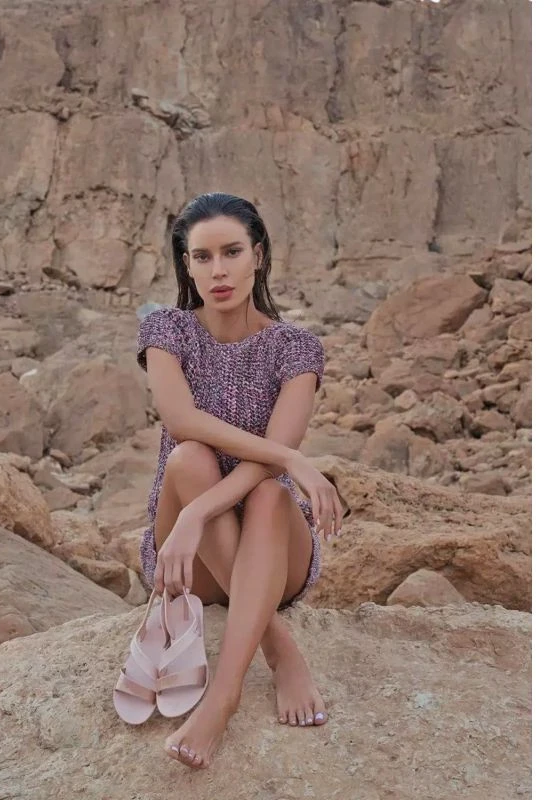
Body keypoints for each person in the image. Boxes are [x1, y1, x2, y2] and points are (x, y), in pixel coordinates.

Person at [136, 192, 345, 769]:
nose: (218, 271)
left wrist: (201, 511)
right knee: (189, 459)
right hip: (190, 558)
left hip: (272, 551)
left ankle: (222, 699)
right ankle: (279, 646)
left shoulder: (295, 348)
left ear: (259, 255)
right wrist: (290, 458)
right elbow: (181, 421)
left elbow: (269, 468)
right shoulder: (168, 330)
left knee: (270, 493)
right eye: (202, 257)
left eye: (231, 252)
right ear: (187, 266)